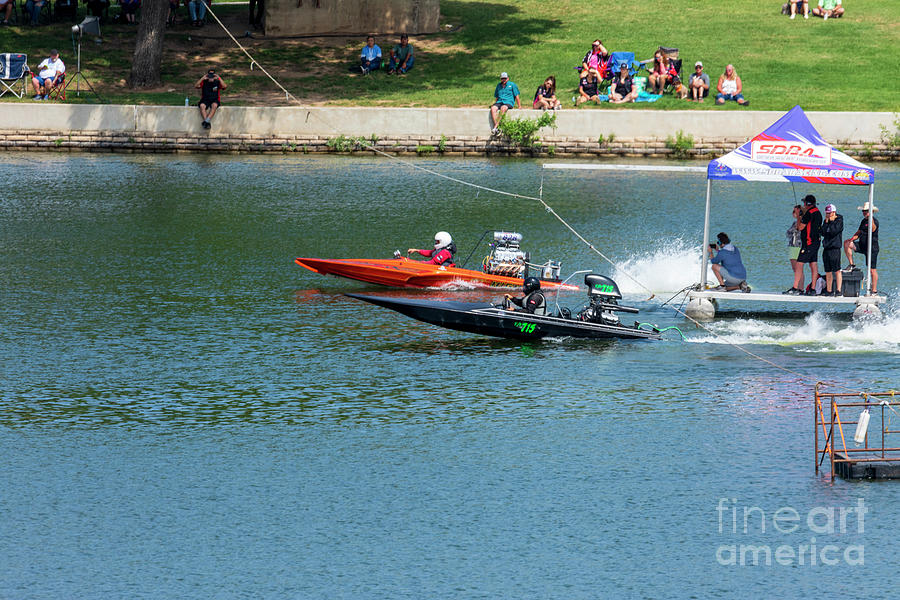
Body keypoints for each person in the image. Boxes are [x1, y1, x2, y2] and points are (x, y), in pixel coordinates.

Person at [843, 203, 879, 295]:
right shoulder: (863, 221)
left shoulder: (874, 221)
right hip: (862, 245)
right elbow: (858, 232)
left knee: (872, 270)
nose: (864, 212)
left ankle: (874, 290)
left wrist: (870, 217)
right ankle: (852, 264)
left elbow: (873, 229)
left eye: (866, 211)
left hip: (872, 248)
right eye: (863, 211)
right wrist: (852, 239)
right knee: (847, 243)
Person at [794, 194, 822, 296]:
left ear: (807, 203)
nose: (804, 204)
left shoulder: (809, 213)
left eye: (804, 203)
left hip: (808, 243)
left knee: (799, 264)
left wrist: (798, 216)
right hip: (816, 242)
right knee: (813, 264)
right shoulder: (818, 212)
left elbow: (800, 227)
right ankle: (813, 289)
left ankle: (795, 287)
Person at [821, 203, 844, 296]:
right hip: (826, 247)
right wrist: (827, 223)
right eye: (826, 213)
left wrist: (831, 222)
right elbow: (822, 232)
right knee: (828, 270)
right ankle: (829, 290)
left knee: (837, 269)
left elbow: (834, 231)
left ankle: (838, 290)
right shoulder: (826, 221)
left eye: (829, 213)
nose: (828, 215)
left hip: (835, 247)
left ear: (834, 212)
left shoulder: (839, 220)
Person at [783, 204, 804, 294]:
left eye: (795, 212)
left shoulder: (802, 222)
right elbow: (788, 234)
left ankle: (800, 288)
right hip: (792, 246)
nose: (793, 213)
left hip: (798, 247)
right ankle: (797, 287)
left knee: (798, 268)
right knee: (794, 268)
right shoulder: (794, 223)